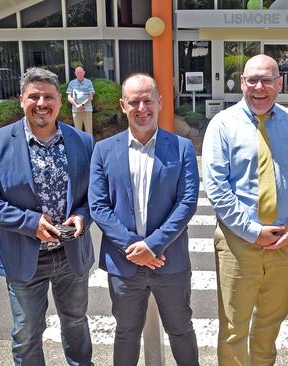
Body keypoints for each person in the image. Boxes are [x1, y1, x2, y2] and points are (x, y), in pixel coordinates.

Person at [0, 67, 95, 365]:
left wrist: (82, 217)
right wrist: (29, 223)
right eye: (34, 96)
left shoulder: (82, 142)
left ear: (60, 101)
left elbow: (95, 195)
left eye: (48, 96)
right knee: (27, 332)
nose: (42, 103)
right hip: (23, 255)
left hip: (70, 253)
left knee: (76, 323)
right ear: (21, 100)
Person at [202, 54, 288, 366]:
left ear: (280, 84)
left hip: (286, 242)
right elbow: (217, 187)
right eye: (252, 79)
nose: (259, 87)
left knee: (269, 325)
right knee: (233, 329)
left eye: (267, 80)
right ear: (242, 82)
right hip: (238, 244)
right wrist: (253, 232)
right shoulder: (222, 125)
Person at [88, 73, 199, 366]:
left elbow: (187, 203)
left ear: (160, 103)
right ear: (123, 105)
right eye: (134, 102)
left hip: (169, 261)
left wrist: (153, 246)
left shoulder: (181, 147)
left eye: (147, 101)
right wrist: (133, 247)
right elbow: (98, 206)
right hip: (124, 263)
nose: (141, 108)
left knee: (180, 329)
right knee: (126, 332)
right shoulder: (103, 150)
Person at [67, 66, 95, 135]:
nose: (79, 74)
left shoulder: (88, 82)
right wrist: (77, 106)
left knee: (89, 130)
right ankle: (79, 145)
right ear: (75, 74)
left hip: (87, 109)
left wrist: (82, 105)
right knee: (78, 131)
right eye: (78, 72)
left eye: (81, 72)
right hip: (76, 109)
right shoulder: (72, 83)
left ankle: (89, 145)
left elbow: (91, 97)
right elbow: (69, 97)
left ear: (84, 73)